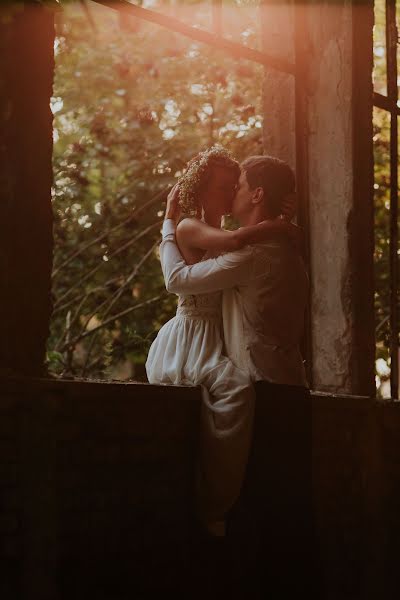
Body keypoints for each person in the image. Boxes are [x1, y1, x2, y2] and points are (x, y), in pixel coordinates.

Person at [157, 153, 312, 595]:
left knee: (265, 524)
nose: (233, 192)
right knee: (287, 520)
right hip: (289, 389)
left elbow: (192, 272)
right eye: (225, 185)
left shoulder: (254, 254)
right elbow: (182, 276)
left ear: (257, 194)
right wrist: (170, 225)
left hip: (268, 392)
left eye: (238, 184)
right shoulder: (274, 246)